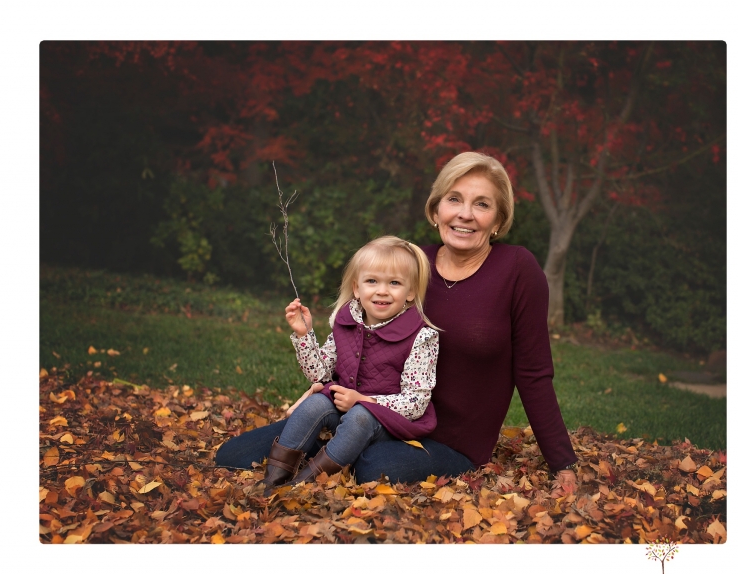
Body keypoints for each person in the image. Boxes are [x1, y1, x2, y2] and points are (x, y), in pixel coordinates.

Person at [215, 152, 578, 492]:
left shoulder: (517, 269)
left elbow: (533, 373)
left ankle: (323, 460)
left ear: (498, 220)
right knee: (232, 457)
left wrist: (562, 463)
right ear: (436, 210)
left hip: (447, 438)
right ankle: (316, 453)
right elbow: (362, 337)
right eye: (454, 199)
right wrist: (324, 385)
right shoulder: (411, 267)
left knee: (371, 468)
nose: (464, 214)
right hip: (363, 411)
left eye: (481, 204)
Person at [257, 236, 440, 490]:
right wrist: (304, 335)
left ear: (410, 292)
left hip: (389, 422)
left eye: (395, 283)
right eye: (372, 281)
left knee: (360, 417)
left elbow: (416, 402)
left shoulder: (421, 336)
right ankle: (273, 479)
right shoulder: (347, 321)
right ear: (357, 288)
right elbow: (320, 376)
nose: (382, 290)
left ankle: (305, 485)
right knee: (315, 403)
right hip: (345, 407)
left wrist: (362, 400)